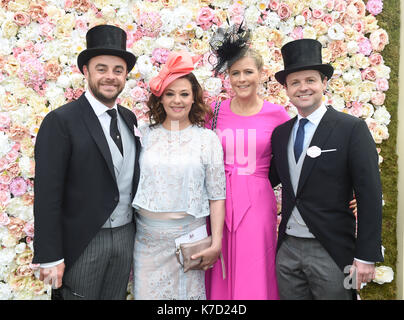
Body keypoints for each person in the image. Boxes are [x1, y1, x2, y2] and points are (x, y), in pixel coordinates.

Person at [33, 25, 141, 300]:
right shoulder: (61, 121)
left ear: (125, 75)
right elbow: (47, 194)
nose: (110, 77)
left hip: (125, 236)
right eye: (101, 68)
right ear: (86, 71)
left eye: (118, 70)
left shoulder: (130, 119)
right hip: (84, 241)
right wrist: (49, 256)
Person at [270, 39, 383, 300]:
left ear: (324, 83)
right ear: (286, 89)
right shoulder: (280, 134)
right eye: (295, 82)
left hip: (331, 249)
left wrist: (366, 256)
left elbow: (369, 194)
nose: (303, 88)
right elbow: (266, 178)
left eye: (310, 80)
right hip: (287, 250)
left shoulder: (350, 128)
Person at [131, 51, 226, 300]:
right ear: (160, 98)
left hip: (189, 241)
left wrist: (216, 244)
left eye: (184, 94)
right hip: (147, 243)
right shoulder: (143, 135)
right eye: (170, 94)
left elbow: (217, 196)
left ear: (194, 98)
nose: (177, 101)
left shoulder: (208, 139)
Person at [205, 24, 290, 299]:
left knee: (255, 269)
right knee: (218, 267)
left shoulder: (277, 115)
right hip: (217, 201)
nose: (241, 79)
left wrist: (339, 193)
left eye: (248, 72)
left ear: (261, 74)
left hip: (257, 201)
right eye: (235, 73)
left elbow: (295, 161)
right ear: (227, 77)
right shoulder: (215, 111)